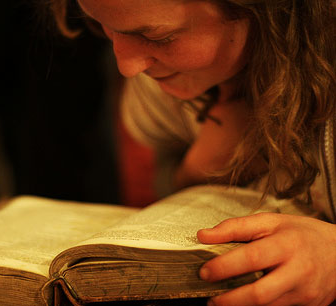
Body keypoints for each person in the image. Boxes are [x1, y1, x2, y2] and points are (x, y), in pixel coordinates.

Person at [51, 0, 336, 305]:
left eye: (159, 37)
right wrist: (202, 167)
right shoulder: (164, 78)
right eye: (105, 26)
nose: (128, 66)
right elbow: (166, 182)